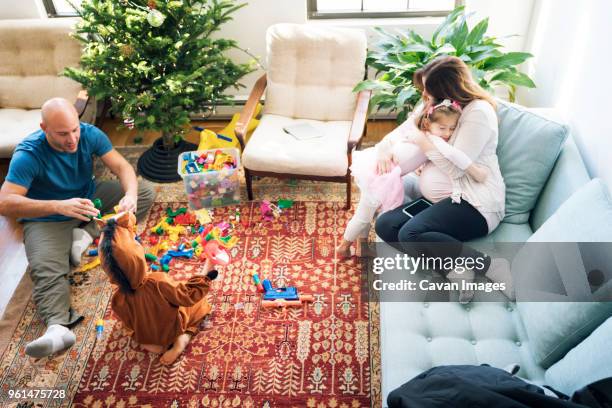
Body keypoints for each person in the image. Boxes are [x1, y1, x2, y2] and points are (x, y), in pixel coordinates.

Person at [0, 97, 156, 358]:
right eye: (62, 134)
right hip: (46, 216)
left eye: (75, 130)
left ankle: (83, 235)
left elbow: (121, 166)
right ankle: (57, 328)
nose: (72, 139)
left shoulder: (89, 134)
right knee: (47, 270)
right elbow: (5, 202)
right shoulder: (28, 154)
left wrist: (128, 194)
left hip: (87, 198)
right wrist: (58, 206)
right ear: (44, 128)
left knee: (144, 193)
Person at [374, 56, 506, 302]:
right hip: (441, 201)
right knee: (386, 225)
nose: (424, 94)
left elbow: (458, 170)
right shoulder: (438, 106)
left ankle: (491, 266)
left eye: (429, 89)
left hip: (474, 202)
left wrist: (425, 143)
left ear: (449, 88)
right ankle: (454, 268)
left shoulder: (477, 113)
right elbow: (402, 131)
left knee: (409, 234)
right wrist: (384, 148)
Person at [337, 98, 488, 258]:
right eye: (442, 128)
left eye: (452, 128)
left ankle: (363, 244)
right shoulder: (433, 139)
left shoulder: (420, 133)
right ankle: (343, 247)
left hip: (378, 171)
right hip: (380, 176)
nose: (447, 133)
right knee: (363, 215)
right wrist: (475, 170)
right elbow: (452, 155)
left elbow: (417, 154)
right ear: (428, 124)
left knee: (367, 210)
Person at [97, 212, 217, 365]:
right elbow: (187, 296)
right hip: (172, 328)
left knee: (129, 327)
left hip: (146, 334)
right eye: (135, 242)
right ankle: (182, 339)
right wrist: (205, 277)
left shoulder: (117, 298)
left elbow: (127, 321)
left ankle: (151, 345)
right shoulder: (159, 281)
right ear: (136, 256)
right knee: (200, 305)